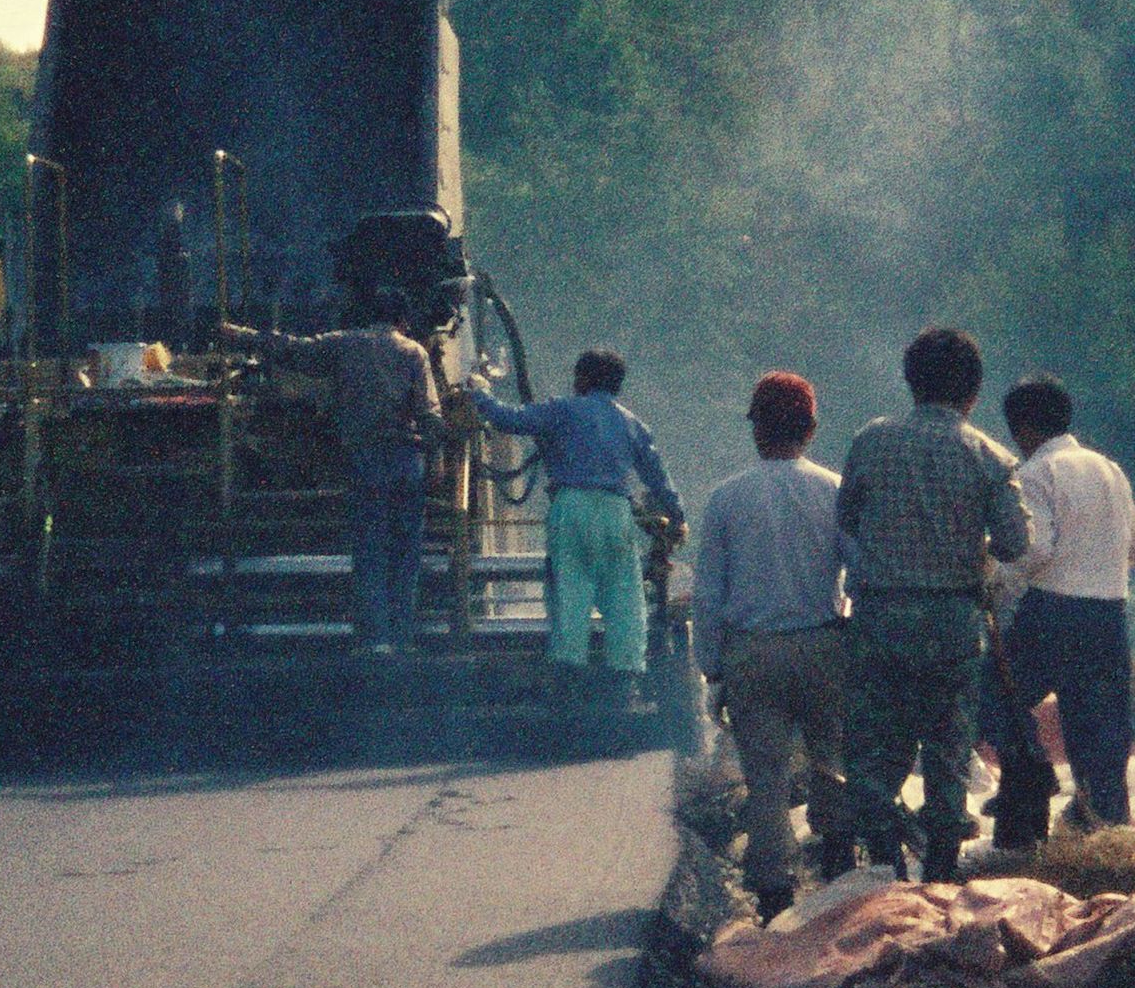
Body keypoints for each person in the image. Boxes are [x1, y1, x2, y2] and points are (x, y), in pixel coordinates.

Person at [830, 325, 1031, 880]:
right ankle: (941, 867)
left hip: (878, 617)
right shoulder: (989, 456)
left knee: (874, 744)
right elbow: (1017, 543)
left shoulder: (871, 440)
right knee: (947, 745)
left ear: (910, 382)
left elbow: (846, 516)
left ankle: (884, 857)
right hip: (951, 623)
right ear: (973, 391)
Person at [695, 371, 852, 915]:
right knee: (833, 758)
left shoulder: (725, 499)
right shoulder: (835, 491)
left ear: (757, 431)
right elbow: (858, 572)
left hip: (752, 654)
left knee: (767, 779)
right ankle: (838, 867)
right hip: (823, 648)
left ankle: (774, 895)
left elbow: (708, 594)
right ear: (809, 429)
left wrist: (712, 668)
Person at [231, 316, 443, 653]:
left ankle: (376, 639)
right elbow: (429, 413)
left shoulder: (346, 343)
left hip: (367, 459)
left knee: (370, 550)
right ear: (403, 321)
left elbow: (296, 349)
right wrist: (436, 453)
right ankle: (402, 636)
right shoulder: (414, 352)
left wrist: (243, 335)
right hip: (405, 459)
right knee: (405, 554)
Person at [997, 374, 1135, 831]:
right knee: (1101, 737)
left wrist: (998, 586)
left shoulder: (1034, 474)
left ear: (1023, 429)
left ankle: (1029, 788)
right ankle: (1106, 834)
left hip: (1050, 614)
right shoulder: (1109, 469)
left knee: (996, 701)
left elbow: (1035, 549)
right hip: (1108, 616)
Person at [474, 349, 682, 680]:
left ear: (582, 379)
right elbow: (659, 479)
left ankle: (569, 671)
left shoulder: (563, 410)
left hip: (572, 508)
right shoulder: (631, 424)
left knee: (571, 591)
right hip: (616, 513)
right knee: (624, 596)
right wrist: (677, 516)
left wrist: (479, 393)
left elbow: (510, 420)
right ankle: (625, 675)